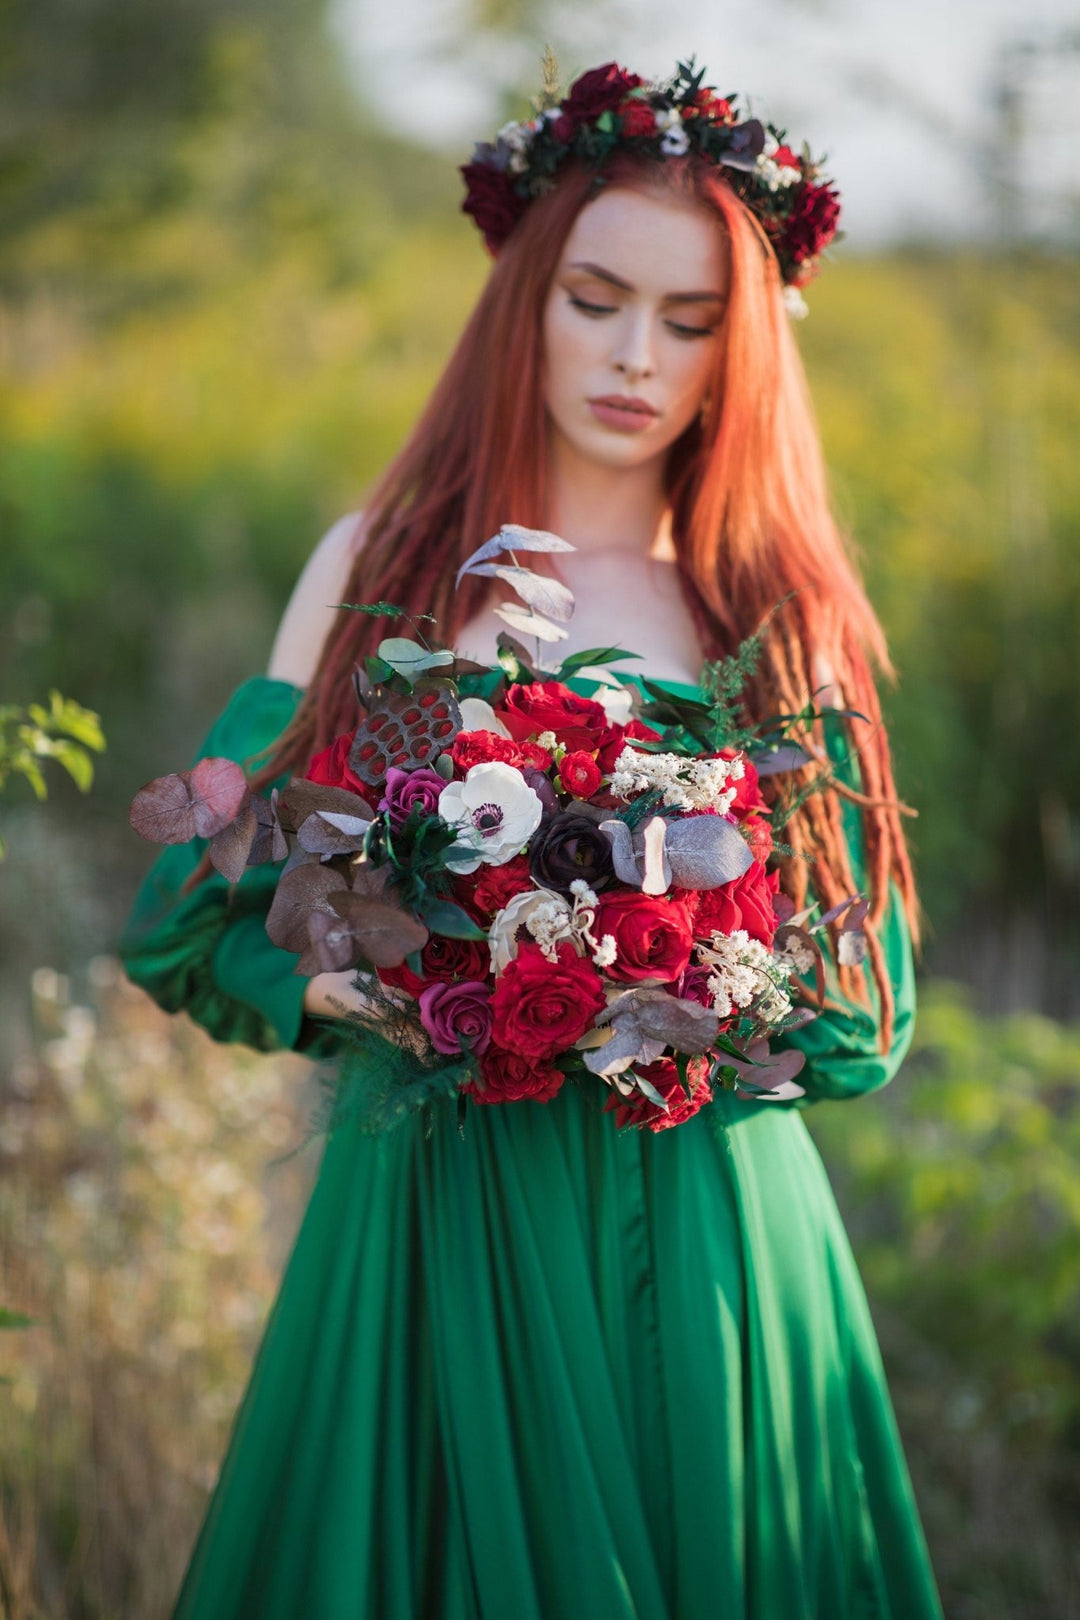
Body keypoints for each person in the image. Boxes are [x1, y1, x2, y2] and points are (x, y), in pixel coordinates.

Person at [119, 60, 943, 1620]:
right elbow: (194, 912)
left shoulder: (778, 612)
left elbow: (860, 1015)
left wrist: (684, 979)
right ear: (526, 302)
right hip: (440, 1217)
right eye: (598, 301)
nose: (637, 356)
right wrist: (394, 992)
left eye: (691, 321)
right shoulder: (383, 566)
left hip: (699, 1230)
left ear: (744, 346)